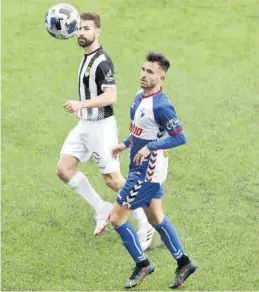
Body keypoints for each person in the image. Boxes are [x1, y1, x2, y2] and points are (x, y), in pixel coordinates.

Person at [56, 12, 154, 250]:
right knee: (64, 169)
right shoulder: (85, 58)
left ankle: (145, 224)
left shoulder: (102, 61)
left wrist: (81, 105)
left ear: (97, 31)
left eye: (87, 28)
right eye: (79, 28)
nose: (81, 32)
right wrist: (81, 111)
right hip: (85, 125)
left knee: (113, 180)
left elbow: (111, 97)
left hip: (101, 127)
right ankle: (102, 208)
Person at [111, 52, 197, 289]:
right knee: (155, 217)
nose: (144, 75)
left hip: (147, 173)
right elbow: (141, 130)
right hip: (140, 167)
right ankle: (184, 262)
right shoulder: (140, 96)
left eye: (150, 72)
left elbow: (180, 137)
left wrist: (152, 147)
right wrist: (126, 144)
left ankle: (143, 264)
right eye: (143, 69)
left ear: (161, 76)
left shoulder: (162, 106)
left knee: (117, 218)